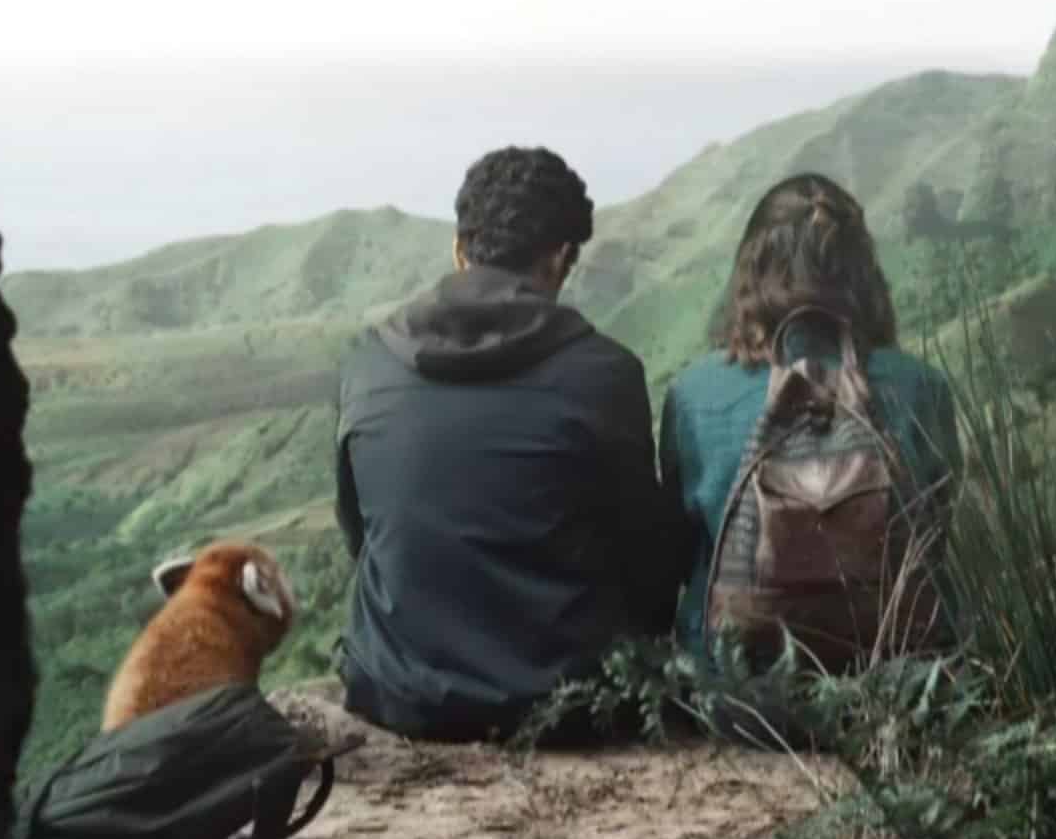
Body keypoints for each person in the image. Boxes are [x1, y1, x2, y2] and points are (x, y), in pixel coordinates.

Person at [333, 146, 682, 742]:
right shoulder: (605, 374)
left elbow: (360, 535)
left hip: (397, 692)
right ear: (561, 259)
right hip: (566, 701)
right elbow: (647, 564)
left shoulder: (368, 362)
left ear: (459, 249)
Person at [657, 172, 962, 676]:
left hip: (734, 689)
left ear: (749, 273)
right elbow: (935, 531)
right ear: (864, 275)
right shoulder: (921, 388)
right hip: (902, 681)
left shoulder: (693, 394)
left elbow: (678, 551)